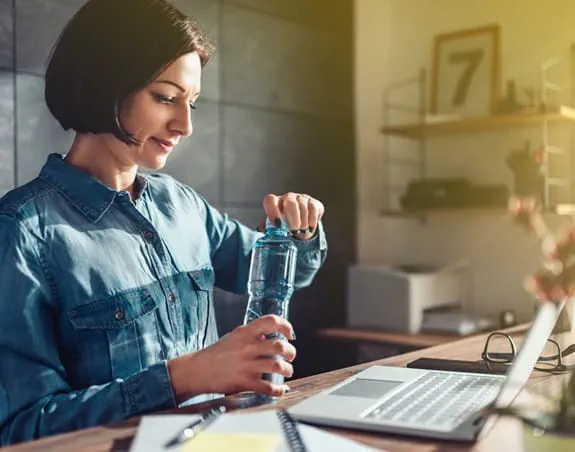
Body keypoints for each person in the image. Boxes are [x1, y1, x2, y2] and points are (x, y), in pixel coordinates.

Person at [0, 0, 327, 445]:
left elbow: (285, 273)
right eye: (166, 98)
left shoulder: (183, 205)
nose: (185, 124)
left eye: (191, 102)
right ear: (104, 83)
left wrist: (298, 232)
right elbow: (23, 427)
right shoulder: (22, 233)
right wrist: (182, 377)